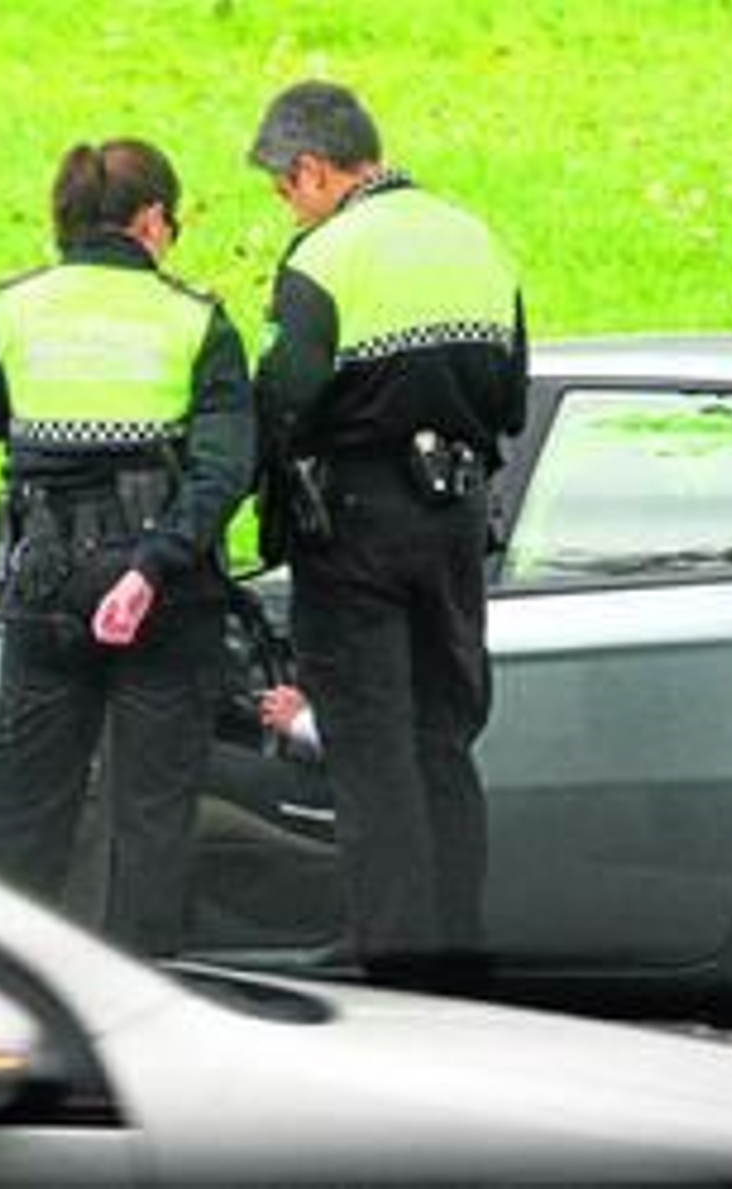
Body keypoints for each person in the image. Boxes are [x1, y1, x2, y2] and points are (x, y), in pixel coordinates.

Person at [247, 81, 528, 986]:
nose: (286, 203)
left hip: (357, 524)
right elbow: (512, 397)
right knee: (444, 739)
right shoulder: (475, 237)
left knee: (373, 754)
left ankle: (397, 965)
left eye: (283, 187)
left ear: (314, 170)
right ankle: (460, 955)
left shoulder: (326, 257)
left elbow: (284, 398)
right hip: (452, 521)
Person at [0, 138, 254, 957]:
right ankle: (146, 992)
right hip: (159, 590)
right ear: (151, 220)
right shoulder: (195, 319)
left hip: (45, 577)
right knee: (151, 818)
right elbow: (227, 468)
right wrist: (152, 566)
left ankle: (7, 989)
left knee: (23, 811)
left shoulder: (12, 306)